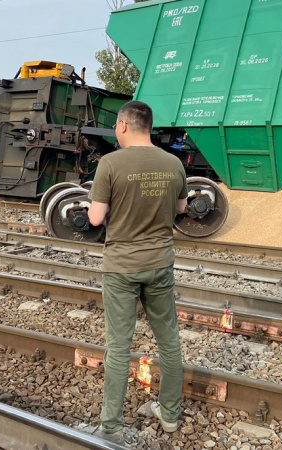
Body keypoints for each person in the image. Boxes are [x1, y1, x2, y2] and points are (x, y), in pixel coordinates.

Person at [87, 100, 188, 443]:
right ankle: (170, 414)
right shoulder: (173, 163)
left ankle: (112, 426)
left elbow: (96, 219)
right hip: (160, 263)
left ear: (124, 125)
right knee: (169, 341)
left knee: (118, 346)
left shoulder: (111, 164)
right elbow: (181, 207)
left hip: (122, 266)